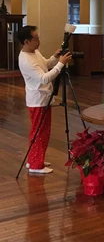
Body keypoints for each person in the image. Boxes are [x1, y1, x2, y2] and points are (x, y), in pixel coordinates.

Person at [17, 25, 73, 174]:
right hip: (37, 100)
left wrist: (55, 57)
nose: (39, 41)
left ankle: (35, 160)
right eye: (36, 39)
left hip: (43, 97)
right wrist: (61, 64)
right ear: (26, 41)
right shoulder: (26, 60)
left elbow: (46, 65)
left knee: (41, 131)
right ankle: (36, 165)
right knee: (39, 132)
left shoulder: (34, 52)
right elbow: (44, 78)